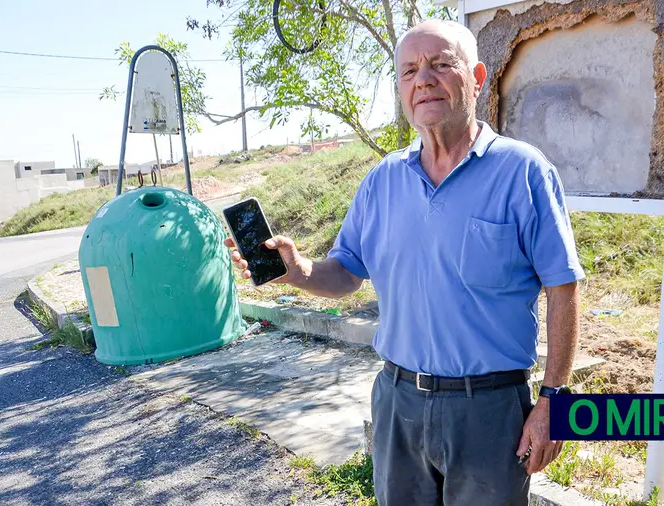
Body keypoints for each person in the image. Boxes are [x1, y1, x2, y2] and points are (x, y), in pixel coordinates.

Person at [225, 19, 584, 506]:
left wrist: (554, 402)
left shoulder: (522, 171)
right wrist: (297, 270)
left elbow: (564, 287)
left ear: (476, 77)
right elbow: (347, 272)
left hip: (490, 410)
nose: (424, 79)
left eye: (440, 64)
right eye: (409, 70)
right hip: (398, 403)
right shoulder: (382, 180)